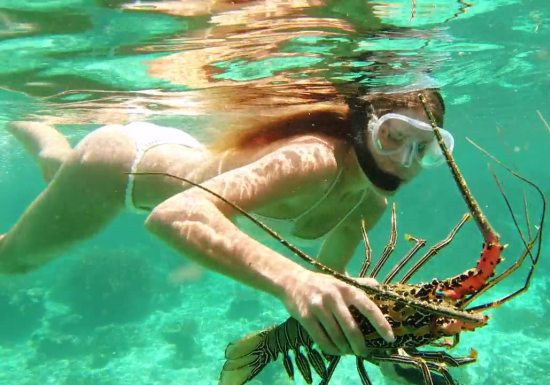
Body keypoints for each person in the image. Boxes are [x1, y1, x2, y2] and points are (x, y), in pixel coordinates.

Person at [0, 87, 451, 361]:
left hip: (175, 153)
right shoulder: (315, 159)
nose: (403, 163)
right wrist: (292, 281)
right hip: (121, 169)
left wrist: (384, 336)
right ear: (364, 124)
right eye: (393, 136)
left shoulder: (369, 205)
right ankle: (27, 114)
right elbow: (175, 215)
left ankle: (37, 125)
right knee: (13, 262)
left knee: (56, 168)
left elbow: (323, 285)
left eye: (424, 148)